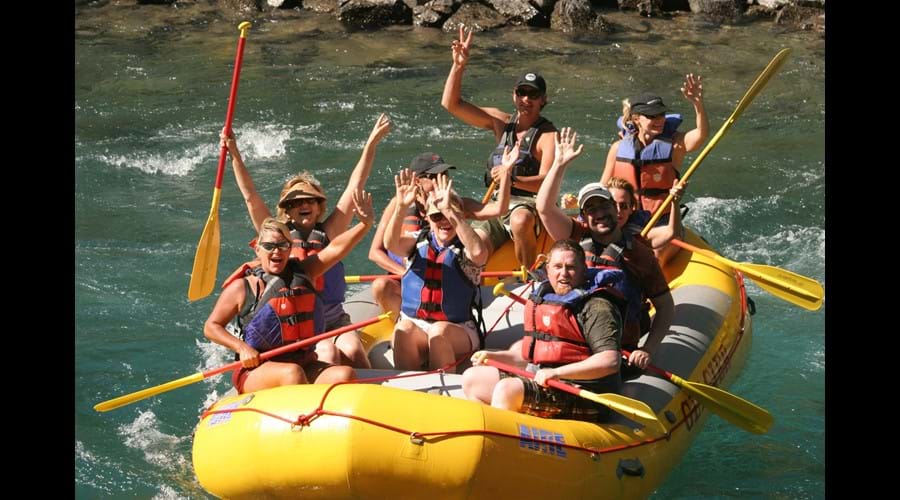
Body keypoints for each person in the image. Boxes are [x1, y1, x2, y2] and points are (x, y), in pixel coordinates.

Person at [221, 113, 392, 370]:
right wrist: (234, 152)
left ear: (318, 206)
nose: (304, 205)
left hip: (332, 318)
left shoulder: (330, 231)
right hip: (298, 325)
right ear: (286, 210)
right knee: (329, 355)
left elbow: (355, 184)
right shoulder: (276, 236)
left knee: (355, 351)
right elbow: (250, 196)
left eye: (310, 200)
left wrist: (371, 143)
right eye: (296, 202)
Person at [537, 127, 674, 371]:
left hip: (614, 348)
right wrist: (559, 164)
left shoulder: (639, 253)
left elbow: (665, 306)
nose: (600, 214)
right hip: (573, 343)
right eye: (592, 209)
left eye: (605, 206)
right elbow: (544, 207)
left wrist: (648, 349)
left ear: (616, 208)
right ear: (584, 216)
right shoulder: (578, 235)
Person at [204, 205, 373, 394]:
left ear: (289, 249)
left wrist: (365, 225)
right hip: (257, 369)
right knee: (292, 374)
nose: (276, 252)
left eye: (283, 246)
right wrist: (241, 348)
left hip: (303, 362)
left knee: (345, 375)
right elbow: (212, 326)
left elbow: (336, 249)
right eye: (269, 246)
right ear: (257, 249)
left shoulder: (306, 272)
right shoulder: (242, 287)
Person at [462, 240, 624, 423]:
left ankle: (504, 442)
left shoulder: (597, 307)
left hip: (585, 393)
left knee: (508, 390)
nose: (563, 273)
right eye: (558, 266)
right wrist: (496, 357)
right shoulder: (544, 300)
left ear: (583, 271)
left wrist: (558, 373)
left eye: (571, 267)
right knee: (472, 379)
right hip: (546, 380)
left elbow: (610, 361)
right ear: (548, 269)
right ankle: (498, 430)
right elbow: (536, 356)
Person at [441, 26, 557, 270]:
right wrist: (458, 66)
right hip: (497, 203)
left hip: (529, 206)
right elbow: (451, 104)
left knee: (520, 219)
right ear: (514, 95)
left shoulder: (548, 135)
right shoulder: (501, 122)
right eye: (522, 93)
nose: (526, 99)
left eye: (533, 95)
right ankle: (462, 276)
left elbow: (546, 183)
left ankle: (530, 276)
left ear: (543, 100)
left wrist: (510, 177)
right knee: (463, 221)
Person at [368, 150, 516, 321]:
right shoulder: (399, 204)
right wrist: (406, 275)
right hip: (406, 276)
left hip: (445, 278)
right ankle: (401, 322)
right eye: (434, 176)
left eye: (444, 174)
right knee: (380, 285)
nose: (442, 179)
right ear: (417, 181)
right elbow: (375, 253)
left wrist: (505, 174)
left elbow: (499, 209)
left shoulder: (454, 204)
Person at [382, 166, 493, 373]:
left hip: (457, 329)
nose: (443, 221)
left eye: (448, 216)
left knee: (438, 331)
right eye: (436, 216)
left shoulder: (467, 247)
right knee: (403, 329)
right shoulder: (418, 243)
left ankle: (441, 389)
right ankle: (409, 387)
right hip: (417, 324)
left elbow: (478, 253)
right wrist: (400, 207)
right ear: (428, 220)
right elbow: (390, 243)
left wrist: (451, 211)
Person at [600, 75, 708, 264]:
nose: (659, 120)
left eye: (661, 115)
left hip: (664, 224)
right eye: (651, 116)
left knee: (654, 257)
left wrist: (698, 104)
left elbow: (701, 135)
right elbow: (602, 187)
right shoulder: (618, 148)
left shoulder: (675, 145)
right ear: (636, 118)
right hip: (628, 222)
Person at [606, 176, 685, 267]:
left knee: (656, 254)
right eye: (613, 205)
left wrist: (675, 203)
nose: (618, 210)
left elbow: (671, 231)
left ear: (631, 209)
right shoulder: (593, 227)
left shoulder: (638, 233)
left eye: (624, 206)